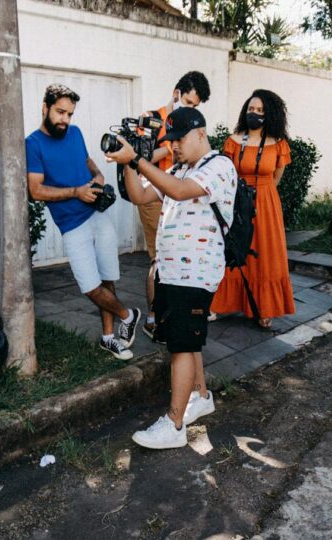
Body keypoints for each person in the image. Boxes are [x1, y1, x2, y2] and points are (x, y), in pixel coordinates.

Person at [106, 107, 236, 449]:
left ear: (200, 135)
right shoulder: (178, 168)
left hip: (195, 272)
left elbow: (179, 191)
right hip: (171, 270)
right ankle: (201, 396)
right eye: (170, 141)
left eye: (179, 139)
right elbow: (139, 196)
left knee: (181, 345)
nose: (174, 146)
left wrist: (137, 160)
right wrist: (126, 162)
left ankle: (175, 425)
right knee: (185, 339)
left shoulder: (219, 166)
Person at [25, 84, 141, 360]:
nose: (65, 119)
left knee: (107, 276)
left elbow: (87, 160)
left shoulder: (74, 133)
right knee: (90, 286)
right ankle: (128, 315)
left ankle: (108, 338)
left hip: (98, 215)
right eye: (60, 112)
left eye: (70, 114)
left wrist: (98, 175)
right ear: (45, 108)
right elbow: (36, 190)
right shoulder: (33, 143)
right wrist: (77, 192)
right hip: (71, 224)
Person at [209, 89, 295, 329]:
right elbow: (226, 171)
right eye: (251, 109)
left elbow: (276, 176)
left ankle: (263, 308)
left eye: (260, 110)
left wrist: (259, 195)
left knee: (265, 253)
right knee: (234, 250)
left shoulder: (279, 144)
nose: (254, 114)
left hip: (266, 201)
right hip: (236, 200)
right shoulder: (234, 140)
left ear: (270, 114)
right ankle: (220, 303)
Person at [138, 71, 211, 340]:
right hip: (154, 195)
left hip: (182, 195)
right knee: (157, 260)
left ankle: (173, 315)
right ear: (176, 93)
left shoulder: (191, 125)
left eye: (195, 107)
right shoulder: (151, 118)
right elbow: (141, 155)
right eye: (189, 103)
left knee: (176, 259)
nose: (191, 109)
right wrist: (171, 147)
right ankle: (153, 317)